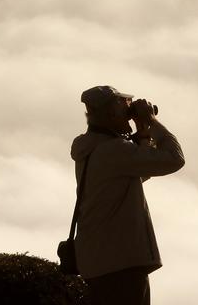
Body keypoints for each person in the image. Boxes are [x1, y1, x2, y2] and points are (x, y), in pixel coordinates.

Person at [70, 85, 186, 305]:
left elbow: (132, 177)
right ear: (111, 113)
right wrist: (151, 121)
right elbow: (174, 158)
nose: (129, 110)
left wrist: (141, 138)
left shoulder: (90, 148)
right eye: (125, 106)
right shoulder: (113, 150)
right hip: (121, 263)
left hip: (98, 260)